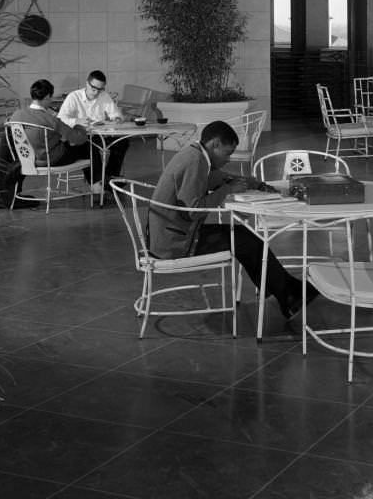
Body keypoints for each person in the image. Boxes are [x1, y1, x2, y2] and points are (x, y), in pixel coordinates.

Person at [148, 120, 309, 324]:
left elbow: (224, 178)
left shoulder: (196, 154)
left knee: (245, 239)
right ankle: (288, 294)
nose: (229, 159)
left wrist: (256, 184)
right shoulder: (195, 162)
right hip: (174, 243)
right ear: (215, 144)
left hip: (171, 233)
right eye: (227, 153)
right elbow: (193, 210)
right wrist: (227, 192)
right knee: (246, 241)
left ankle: (287, 293)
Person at [0, 79, 91, 207]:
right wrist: (80, 125)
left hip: (27, 158)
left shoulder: (16, 115)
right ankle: (97, 185)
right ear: (46, 97)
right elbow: (77, 138)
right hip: (51, 159)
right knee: (87, 145)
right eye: (50, 98)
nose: (51, 101)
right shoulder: (50, 120)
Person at [57, 69, 128, 192]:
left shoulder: (104, 96)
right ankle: (98, 182)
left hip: (101, 134)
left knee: (122, 143)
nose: (96, 92)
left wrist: (117, 118)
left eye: (100, 89)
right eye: (94, 88)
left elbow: (116, 114)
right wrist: (77, 121)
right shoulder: (74, 96)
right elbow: (60, 119)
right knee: (90, 146)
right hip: (82, 136)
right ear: (87, 83)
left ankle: (108, 177)